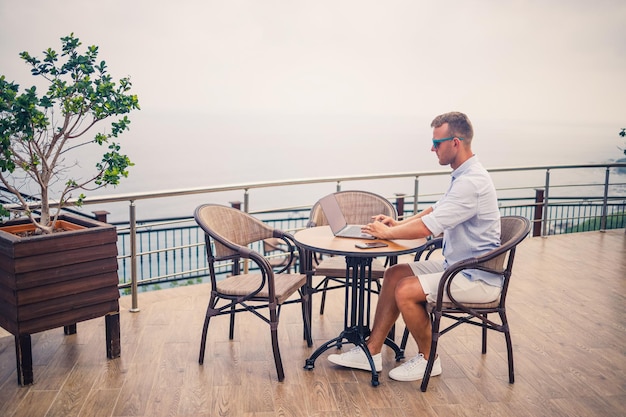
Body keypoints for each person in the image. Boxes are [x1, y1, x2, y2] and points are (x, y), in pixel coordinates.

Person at [328, 111, 502, 381]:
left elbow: (428, 227)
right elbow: (435, 210)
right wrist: (396, 223)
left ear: (455, 142)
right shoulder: (464, 175)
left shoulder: (471, 182)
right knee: (395, 274)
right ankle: (371, 351)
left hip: (476, 276)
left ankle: (429, 359)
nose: (432, 148)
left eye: (437, 143)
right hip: (457, 266)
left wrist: (390, 231)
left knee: (406, 290)